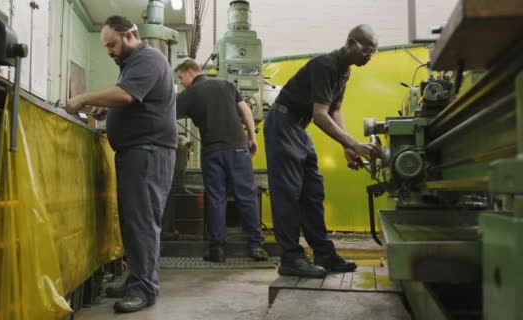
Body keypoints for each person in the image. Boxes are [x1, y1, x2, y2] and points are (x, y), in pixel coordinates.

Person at [65, 15, 176, 313]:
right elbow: (128, 98)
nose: (109, 51)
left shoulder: (148, 59)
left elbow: (126, 95)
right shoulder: (133, 64)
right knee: (131, 221)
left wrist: (83, 98)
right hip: (137, 153)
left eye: (111, 44)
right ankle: (137, 279)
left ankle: (144, 289)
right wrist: (106, 108)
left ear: (128, 35)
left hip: (148, 152)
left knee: (142, 222)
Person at [263, 24, 381, 278]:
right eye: (367, 50)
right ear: (350, 43)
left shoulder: (344, 71)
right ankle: (291, 258)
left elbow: (335, 110)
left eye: (374, 52)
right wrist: (355, 144)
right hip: (282, 124)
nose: (369, 56)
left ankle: (324, 253)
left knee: (313, 191)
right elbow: (319, 115)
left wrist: (347, 148)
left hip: (297, 128)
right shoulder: (325, 65)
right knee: (288, 194)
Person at [174, 58, 269, 263]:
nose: (181, 82)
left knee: (216, 198)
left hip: (212, 152)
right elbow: (245, 110)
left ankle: (217, 249)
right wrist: (252, 137)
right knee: (246, 195)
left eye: (181, 77)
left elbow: (164, 115)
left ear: (190, 72)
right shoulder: (226, 84)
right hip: (238, 149)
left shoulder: (188, 95)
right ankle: (256, 246)